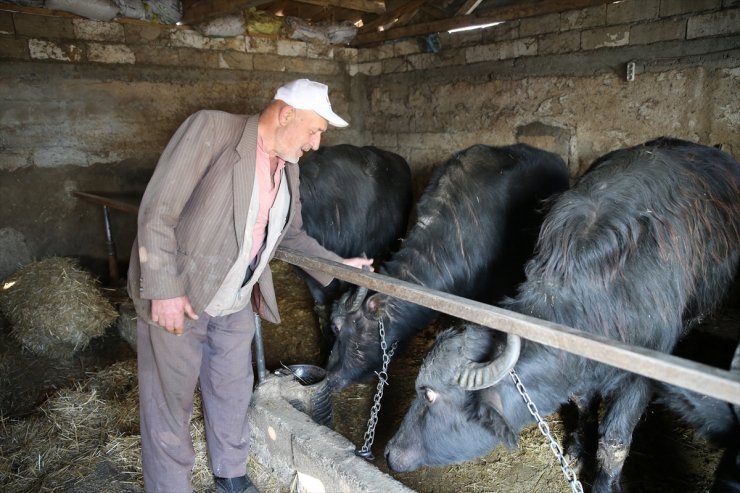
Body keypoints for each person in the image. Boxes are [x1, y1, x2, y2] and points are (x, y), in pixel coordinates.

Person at [127, 78, 373, 493]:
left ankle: (231, 473)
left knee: (232, 389)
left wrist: (337, 264)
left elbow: (290, 235)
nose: (315, 144)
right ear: (285, 114)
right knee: (169, 403)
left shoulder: (288, 168)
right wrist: (164, 289)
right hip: (181, 295)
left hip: (237, 298)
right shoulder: (211, 129)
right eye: (314, 131)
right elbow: (157, 211)